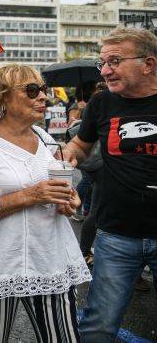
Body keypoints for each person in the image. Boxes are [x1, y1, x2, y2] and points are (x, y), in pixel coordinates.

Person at [0, 64, 89, 343]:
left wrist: (69, 199)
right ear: (2, 97)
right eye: (32, 90)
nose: (43, 97)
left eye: (43, 90)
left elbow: (59, 189)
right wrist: (30, 195)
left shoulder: (44, 139)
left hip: (49, 262)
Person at [62, 28, 157, 342]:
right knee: (99, 327)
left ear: (148, 64)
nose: (105, 71)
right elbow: (79, 145)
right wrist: (65, 159)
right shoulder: (102, 103)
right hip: (115, 234)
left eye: (114, 61)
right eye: (102, 63)